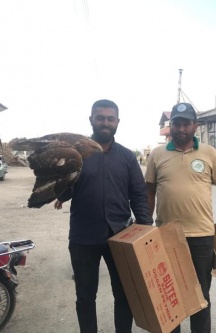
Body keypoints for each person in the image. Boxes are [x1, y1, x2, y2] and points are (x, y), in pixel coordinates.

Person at [145, 102, 216, 333]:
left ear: (195, 126)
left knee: (200, 296)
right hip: (166, 236)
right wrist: (145, 227)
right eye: (176, 123)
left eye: (186, 123)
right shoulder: (157, 154)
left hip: (202, 237)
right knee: (169, 296)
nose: (181, 128)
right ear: (170, 125)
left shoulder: (209, 153)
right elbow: (149, 192)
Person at [54, 99, 153, 333]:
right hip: (83, 236)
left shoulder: (128, 157)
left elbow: (138, 195)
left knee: (125, 294)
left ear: (117, 122)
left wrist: (146, 230)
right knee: (85, 296)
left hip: (120, 236)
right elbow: (63, 188)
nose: (105, 123)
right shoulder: (76, 155)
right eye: (100, 118)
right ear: (91, 120)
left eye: (110, 119)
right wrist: (58, 188)